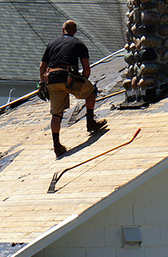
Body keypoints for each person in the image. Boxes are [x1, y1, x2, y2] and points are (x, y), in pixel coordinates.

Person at [39, 20, 107, 157]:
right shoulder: (79, 44)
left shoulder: (52, 44)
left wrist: (42, 84)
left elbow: (42, 66)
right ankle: (90, 123)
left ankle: (57, 146)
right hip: (68, 77)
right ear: (75, 31)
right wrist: (84, 83)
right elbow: (86, 69)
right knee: (91, 91)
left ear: (62, 30)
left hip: (51, 79)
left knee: (56, 114)